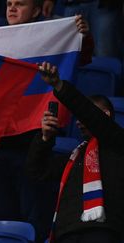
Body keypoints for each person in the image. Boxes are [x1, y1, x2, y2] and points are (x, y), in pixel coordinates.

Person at [0, 1, 93, 242]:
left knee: (33, 221)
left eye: (20, 4)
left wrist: (81, 37)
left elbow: (79, 59)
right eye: (9, 3)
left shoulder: (51, 37)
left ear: (37, 11)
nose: (11, 8)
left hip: (33, 146)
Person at [25, 61, 124, 242]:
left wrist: (59, 85)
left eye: (82, 117)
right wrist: (45, 139)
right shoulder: (74, 157)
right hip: (66, 232)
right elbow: (36, 172)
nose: (78, 122)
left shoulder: (117, 142)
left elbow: (89, 114)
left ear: (106, 115)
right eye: (76, 119)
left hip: (101, 231)